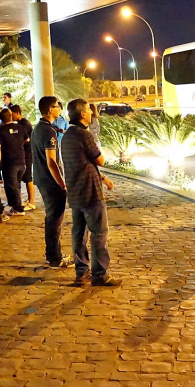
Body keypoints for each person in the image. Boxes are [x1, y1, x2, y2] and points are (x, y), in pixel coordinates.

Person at [62, 98, 118, 287]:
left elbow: (85, 164)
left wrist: (103, 179)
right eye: (89, 110)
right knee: (99, 233)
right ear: (83, 114)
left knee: (78, 232)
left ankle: (81, 271)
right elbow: (99, 159)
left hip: (75, 191)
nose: (92, 113)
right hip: (91, 192)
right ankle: (100, 274)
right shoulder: (84, 136)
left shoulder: (67, 136)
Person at [31, 96, 71, 268]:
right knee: (55, 219)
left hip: (41, 178)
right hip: (50, 182)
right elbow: (51, 162)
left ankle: (52, 254)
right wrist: (62, 183)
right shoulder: (48, 132)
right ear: (50, 110)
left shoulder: (39, 128)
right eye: (57, 106)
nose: (59, 109)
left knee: (52, 218)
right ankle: (55, 257)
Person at [0, 108, 28, 216]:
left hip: (9, 162)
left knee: (11, 186)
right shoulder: (20, 128)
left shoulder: (0, 131)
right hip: (21, 160)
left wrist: (0, 161)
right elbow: (27, 140)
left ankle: (18, 208)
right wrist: (17, 144)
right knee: (16, 184)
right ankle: (15, 206)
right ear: (11, 116)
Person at [10, 105, 36, 210]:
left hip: (27, 153)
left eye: (12, 115)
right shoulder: (21, 124)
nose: (11, 117)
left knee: (28, 176)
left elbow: (26, 139)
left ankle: (32, 201)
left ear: (17, 113)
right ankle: (29, 200)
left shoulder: (25, 124)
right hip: (25, 153)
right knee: (25, 176)